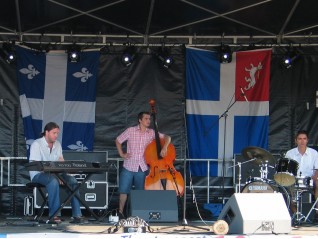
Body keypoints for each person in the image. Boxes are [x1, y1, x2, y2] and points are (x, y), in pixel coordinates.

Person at [115, 111, 171, 218]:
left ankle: (137, 215)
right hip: (128, 166)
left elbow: (168, 137)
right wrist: (121, 153)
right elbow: (118, 140)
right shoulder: (130, 130)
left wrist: (165, 147)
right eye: (146, 119)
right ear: (140, 120)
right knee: (123, 191)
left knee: (140, 193)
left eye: (149, 119)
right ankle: (120, 213)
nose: (149, 121)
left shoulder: (151, 133)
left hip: (142, 167)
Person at [29, 122, 84, 223]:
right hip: (38, 174)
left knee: (72, 180)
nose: (56, 135)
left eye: (57, 133)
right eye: (54, 133)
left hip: (55, 173)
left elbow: (61, 161)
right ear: (46, 132)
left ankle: (77, 215)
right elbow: (36, 165)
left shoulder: (57, 144)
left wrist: (69, 171)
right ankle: (54, 215)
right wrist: (56, 175)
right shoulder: (37, 144)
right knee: (53, 181)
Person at [285, 130, 318, 216]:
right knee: (287, 186)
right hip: (294, 180)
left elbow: (317, 170)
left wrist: (315, 178)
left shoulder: (314, 153)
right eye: (300, 139)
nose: (302, 141)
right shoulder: (290, 153)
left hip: (309, 180)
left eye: (304, 139)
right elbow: (287, 171)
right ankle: (296, 214)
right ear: (296, 141)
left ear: (307, 140)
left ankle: (317, 211)